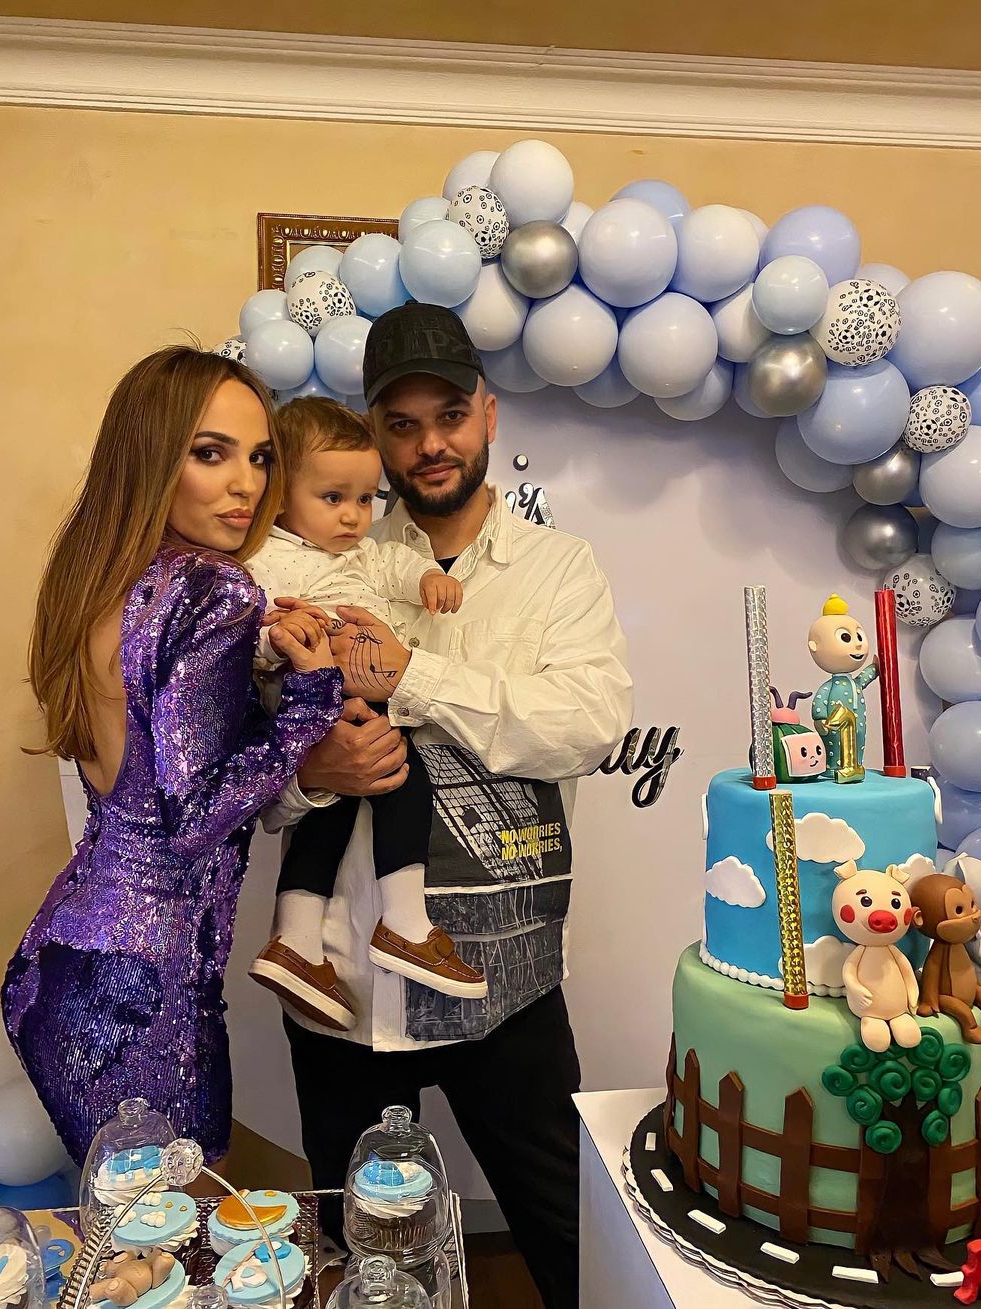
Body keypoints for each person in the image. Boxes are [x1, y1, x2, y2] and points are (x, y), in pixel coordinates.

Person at [264, 303, 634, 1309]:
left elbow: (588, 725)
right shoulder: (320, 560)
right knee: (361, 1258)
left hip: (504, 984)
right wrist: (311, 774)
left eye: (451, 415)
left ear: (490, 416)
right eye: (402, 423)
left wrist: (412, 676)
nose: (430, 443)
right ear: (375, 435)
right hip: (342, 987)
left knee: (573, 1242)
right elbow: (250, 776)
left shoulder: (559, 570)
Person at [1, 346, 344, 1165]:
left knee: (132, 1235)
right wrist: (310, 699)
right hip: (145, 995)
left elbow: (146, 775)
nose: (246, 484)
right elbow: (194, 816)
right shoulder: (215, 591)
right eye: (210, 453)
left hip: (58, 965)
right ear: (153, 457)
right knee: (178, 1239)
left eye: (260, 457)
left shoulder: (101, 582)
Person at [245, 397, 486, 1032]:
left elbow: (397, 564)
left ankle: (295, 940)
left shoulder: (358, 553)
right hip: (306, 702)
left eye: (366, 498)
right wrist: (276, 639)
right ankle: (405, 921)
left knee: (331, 810)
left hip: (351, 698)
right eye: (333, 498)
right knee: (404, 777)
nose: (354, 516)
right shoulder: (260, 559)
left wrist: (428, 577)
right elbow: (240, 636)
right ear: (279, 496)